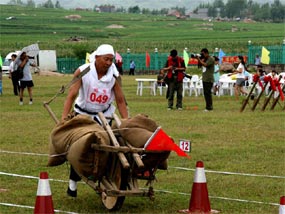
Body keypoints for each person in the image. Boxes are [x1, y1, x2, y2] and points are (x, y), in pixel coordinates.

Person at [61, 44, 128, 198]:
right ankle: (73, 180)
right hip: (83, 115)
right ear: (97, 57)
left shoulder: (114, 75)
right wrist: (64, 119)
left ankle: (103, 180)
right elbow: (71, 95)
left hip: (104, 116)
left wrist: (125, 123)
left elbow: (120, 100)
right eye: (106, 59)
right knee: (79, 148)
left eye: (111, 60)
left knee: (107, 148)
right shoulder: (83, 71)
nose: (109, 63)